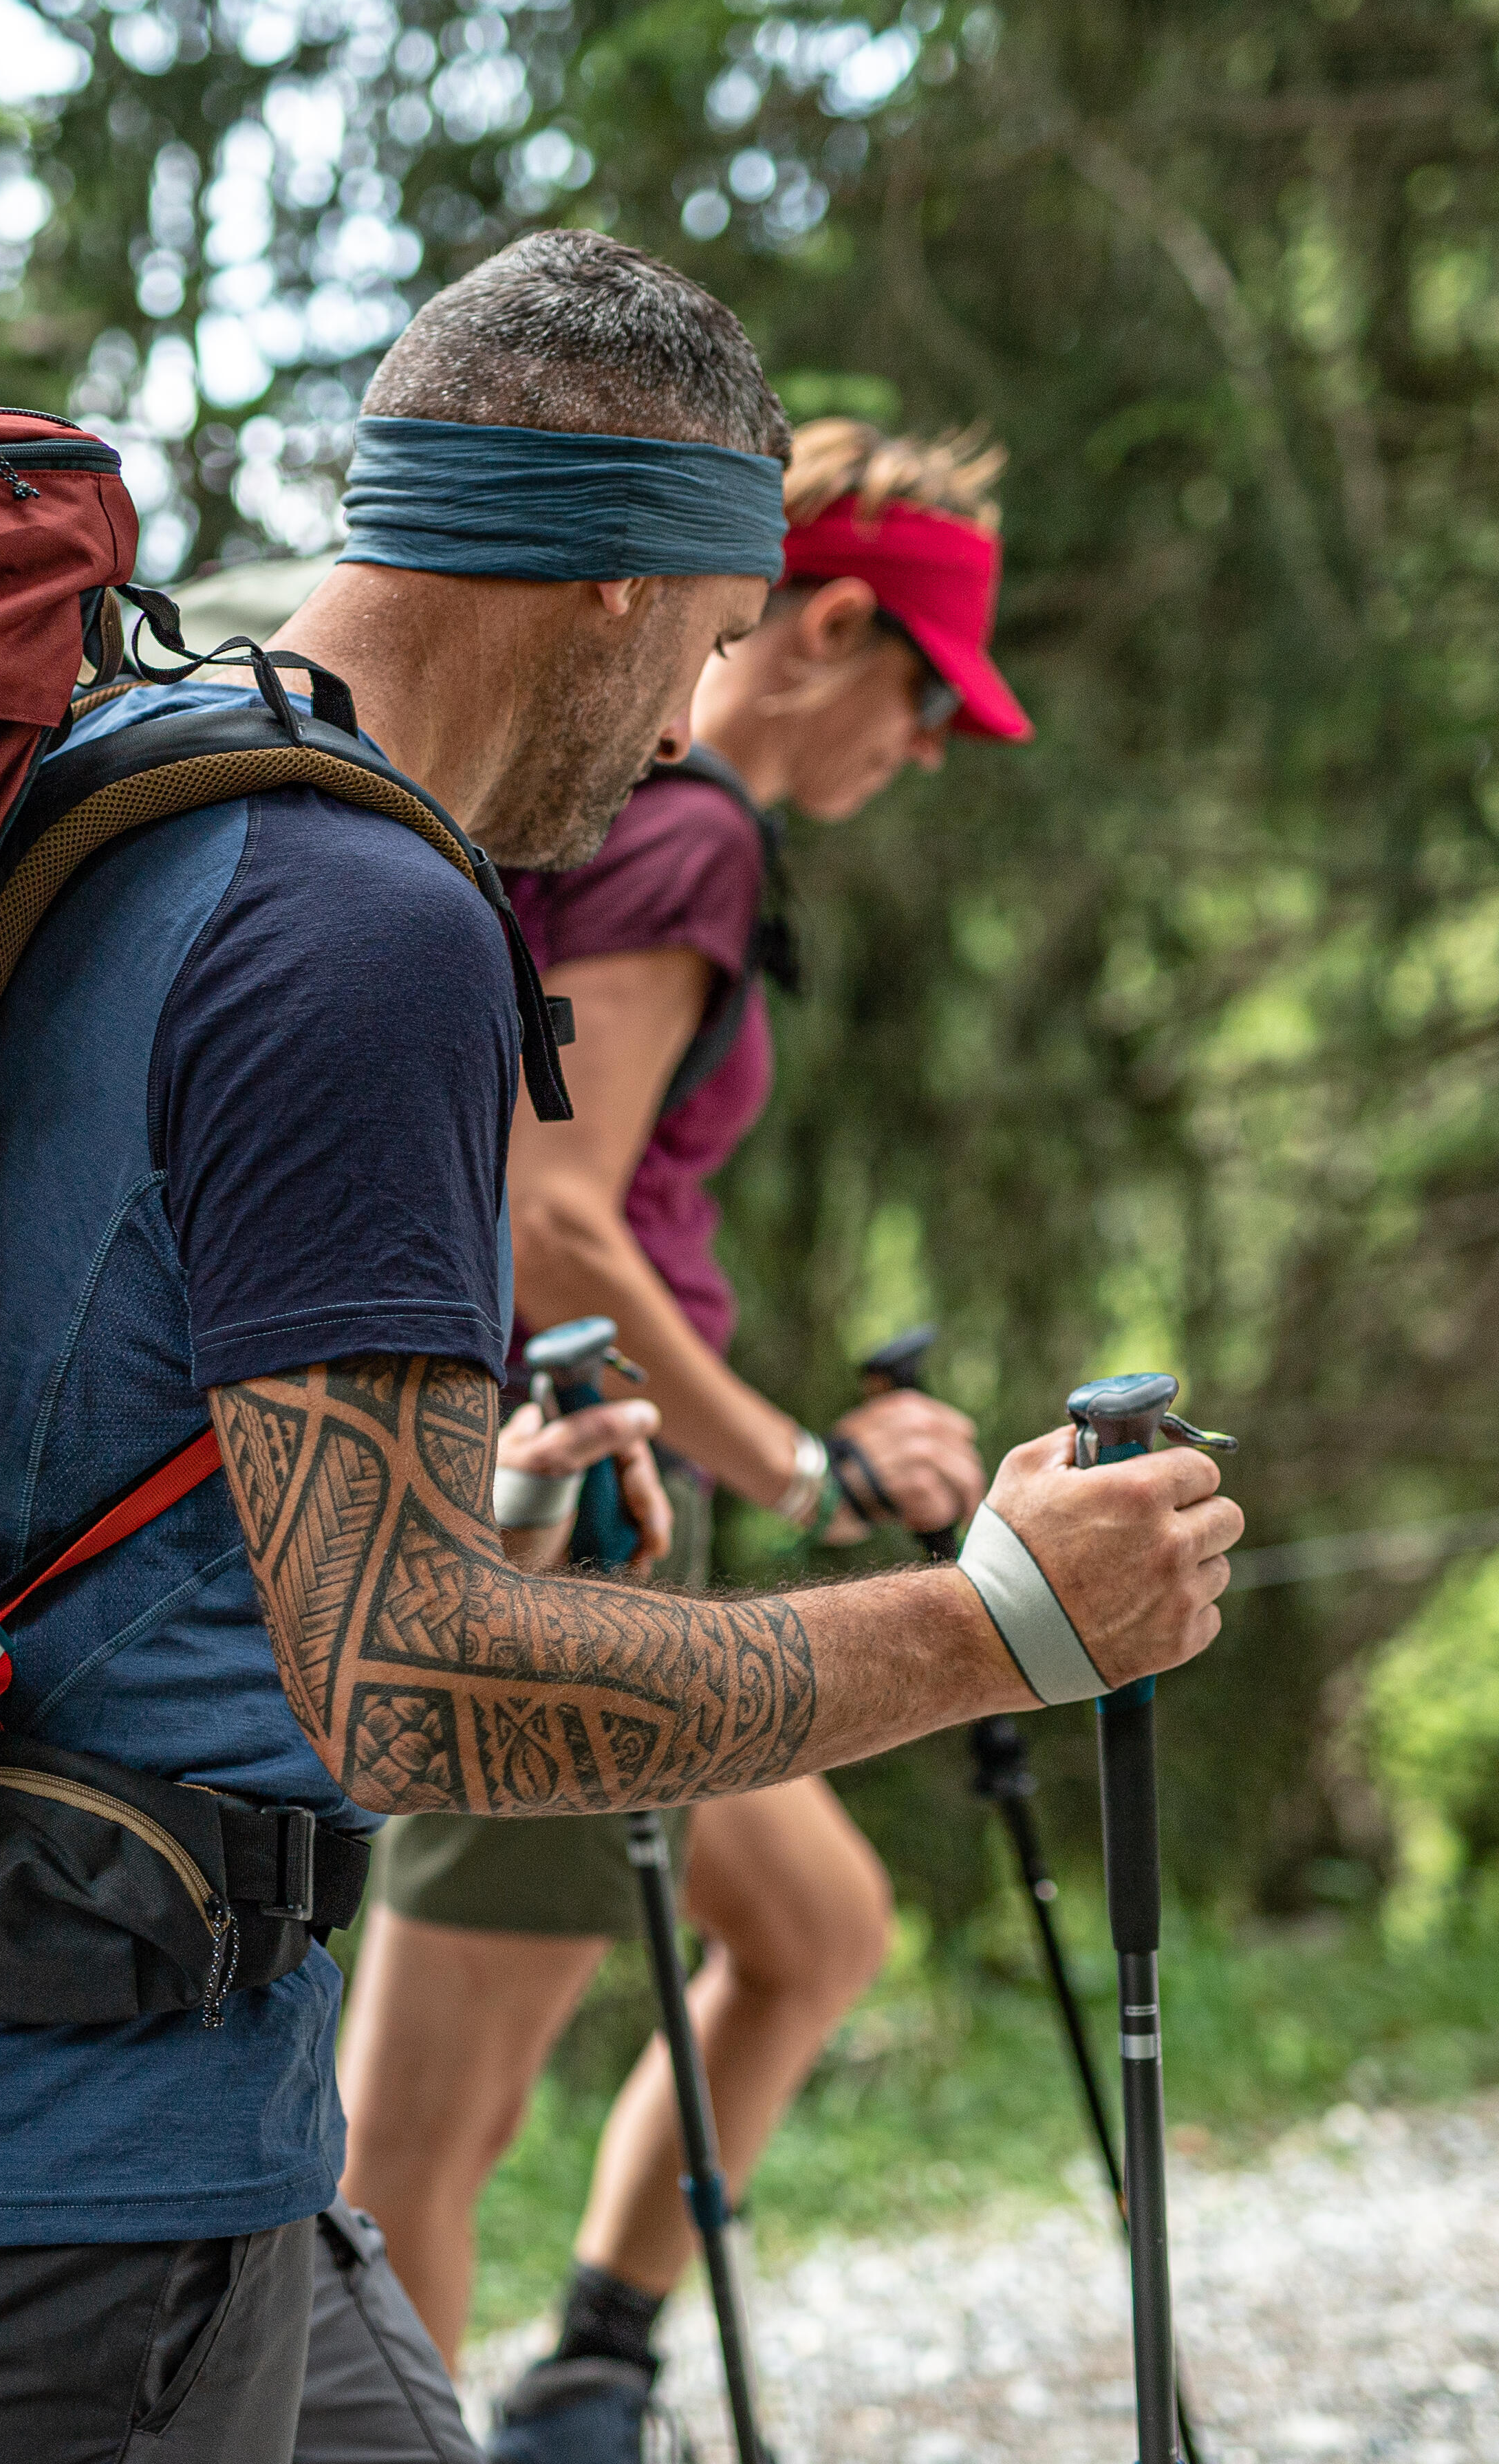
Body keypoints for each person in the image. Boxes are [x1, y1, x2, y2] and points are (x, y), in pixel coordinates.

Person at [0, 231, 1242, 2463]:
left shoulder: (138, 779)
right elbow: (406, 1682)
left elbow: (71, 1365)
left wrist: (464, 1489)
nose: (690, 731)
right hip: (65, 2153)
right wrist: (1005, 1627)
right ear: (617, 580)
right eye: (709, 643)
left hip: (104, 2079)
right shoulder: (362, 921)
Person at [324, 421, 1041, 2458]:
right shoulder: (694, 828)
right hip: (577, 1507)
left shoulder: (634, 815)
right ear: (826, 627)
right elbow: (553, 1209)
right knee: (416, 2146)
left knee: (817, 1929)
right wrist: (795, 1471)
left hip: (602, 1481)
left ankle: (593, 2379)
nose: (923, 754)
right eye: (925, 702)